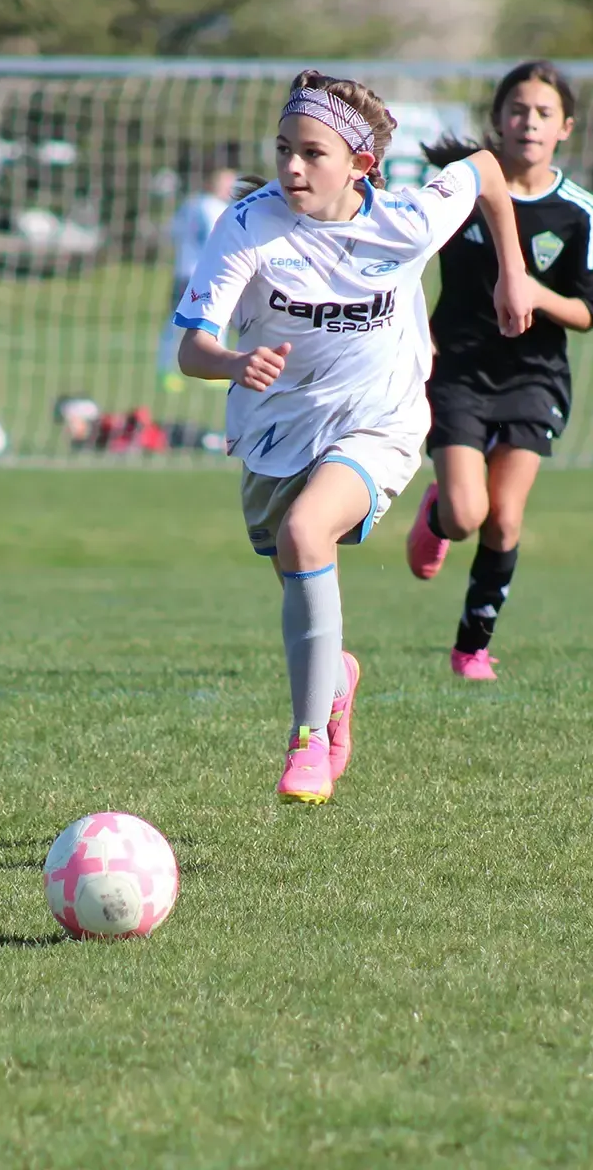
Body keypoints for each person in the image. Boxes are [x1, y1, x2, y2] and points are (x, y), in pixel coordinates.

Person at [171, 70, 532, 803]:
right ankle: (335, 679)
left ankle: (305, 744)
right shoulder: (247, 225)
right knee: (301, 583)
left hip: (382, 421)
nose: (292, 167)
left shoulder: (406, 218)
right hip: (278, 433)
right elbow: (191, 348)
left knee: (309, 534)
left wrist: (511, 273)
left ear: (361, 165)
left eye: (312, 153)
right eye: (283, 150)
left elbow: (487, 171)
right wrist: (236, 362)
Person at [401, 59, 593, 681]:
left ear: (565, 128)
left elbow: (592, 311)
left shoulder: (579, 212)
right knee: (467, 515)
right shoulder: (458, 191)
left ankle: (472, 647)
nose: (529, 122)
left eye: (544, 113)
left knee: (505, 517)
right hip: (458, 369)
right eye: (517, 110)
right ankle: (438, 512)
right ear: (497, 119)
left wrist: (533, 294)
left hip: (532, 377)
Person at [159, 164, 238, 393]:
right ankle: (210, 369)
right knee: (213, 319)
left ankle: (166, 370)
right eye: (227, 183)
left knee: (176, 323)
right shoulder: (214, 208)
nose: (230, 188)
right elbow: (213, 242)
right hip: (202, 274)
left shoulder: (190, 204)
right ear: (213, 183)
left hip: (183, 271)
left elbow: (172, 231)